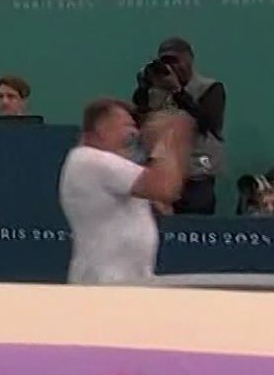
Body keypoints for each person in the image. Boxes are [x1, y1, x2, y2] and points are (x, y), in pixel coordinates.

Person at [59, 98, 192, 285]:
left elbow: (167, 192)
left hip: (129, 283)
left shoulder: (113, 170)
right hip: (103, 286)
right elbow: (164, 187)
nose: (135, 133)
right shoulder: (88, 159)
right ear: (97, 132)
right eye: (127, 126)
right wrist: (167, 140)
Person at [131, 37, 225, 214]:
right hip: (160, 173)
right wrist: (144, 87)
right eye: (165, 62)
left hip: (197, 174)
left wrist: (177, 91)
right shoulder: (155, 90)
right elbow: (138, 120)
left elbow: (208, 123)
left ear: (189, 59)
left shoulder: (210, 88)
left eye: (175, 61)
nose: (170, 67)